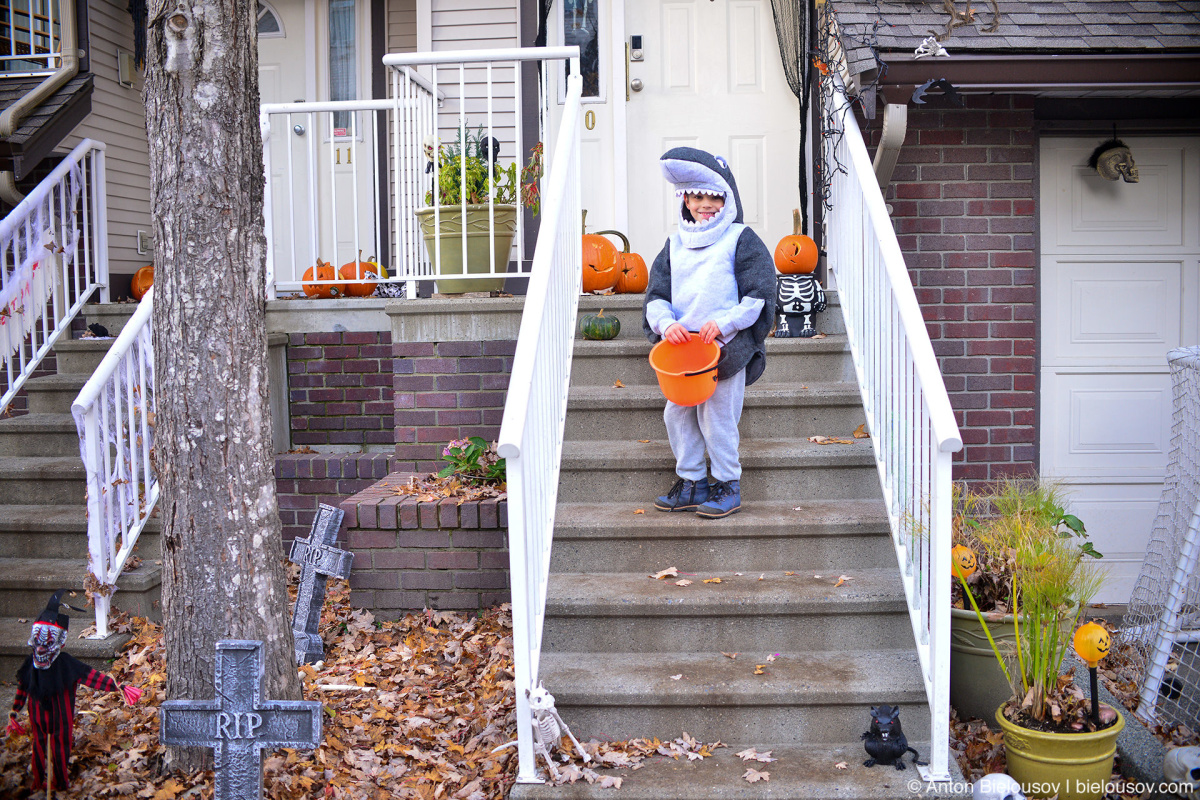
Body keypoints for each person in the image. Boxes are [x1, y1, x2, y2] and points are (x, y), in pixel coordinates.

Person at [642, 147, 776, 519]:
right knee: (677, 415)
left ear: (727, 197)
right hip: (684, 351)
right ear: (684, 199)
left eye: (713, 196)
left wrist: (729, 321)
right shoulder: (674, 244)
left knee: (717, 420)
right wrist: (666, 324)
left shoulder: (740, 239)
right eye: (696, 196)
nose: (705, 204)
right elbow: (657, 295)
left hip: (724, 349)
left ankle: (726, 484)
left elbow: (759, 294)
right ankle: (692, 482)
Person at [7, 590, 141, 791]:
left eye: (48, 643)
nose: (41, 649)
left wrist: (117, 687)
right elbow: (22, 688)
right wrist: (15, 710)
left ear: (59, 643)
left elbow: (91, 677)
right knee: (38, 746)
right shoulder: (30, 664)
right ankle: (38, 779)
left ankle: (59, 783)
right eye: (38, 643)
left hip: (61, 717)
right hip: (37, 718)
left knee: (60, 749)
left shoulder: (67, 664)